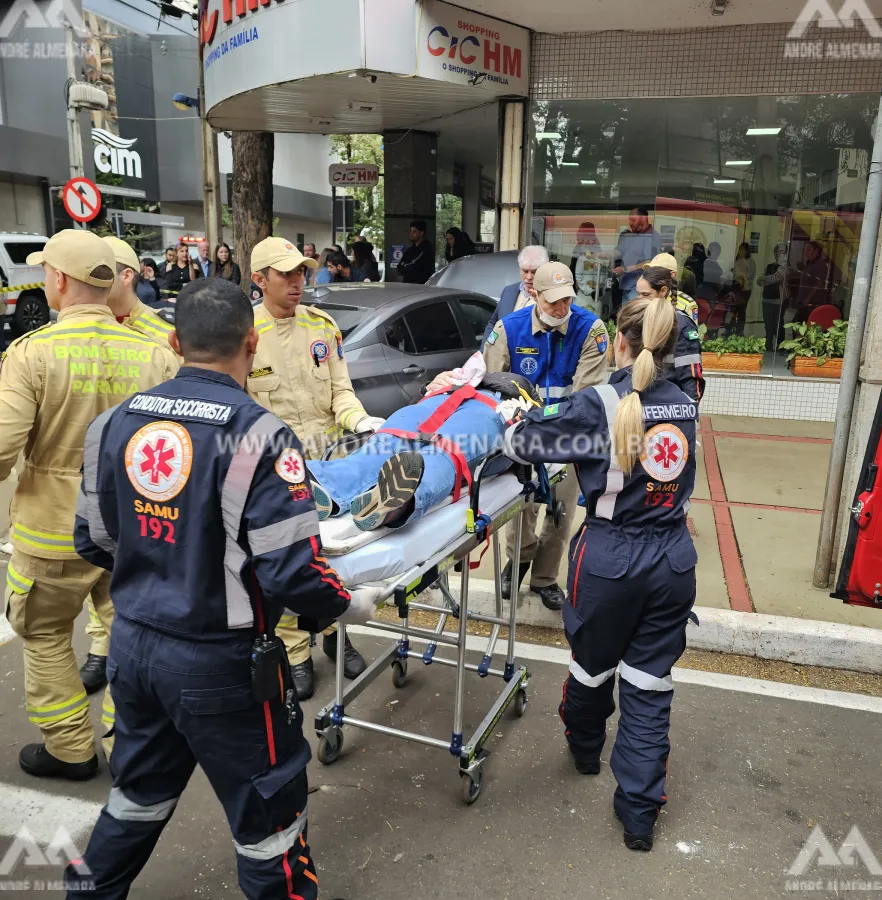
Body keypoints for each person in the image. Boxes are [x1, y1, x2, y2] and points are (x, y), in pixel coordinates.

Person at [63, 278, 378, 900]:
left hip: (134, 647)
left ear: (177, 342)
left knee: (137, 795)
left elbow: (92, 540)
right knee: (269, 821)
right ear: (252, 343)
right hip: (222, 664)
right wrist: (345, 605)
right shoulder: (260, 436)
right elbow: (289, 570)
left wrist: (163, 569)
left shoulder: (113, 425)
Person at [501, 293, 697, 852]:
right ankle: (639, 815)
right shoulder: (685, 403)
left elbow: (527, 443)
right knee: (649, 683)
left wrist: (510, 416)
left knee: (591, 668)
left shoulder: (599, 404)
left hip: (610, 561)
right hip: (673, 558)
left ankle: (586, 751)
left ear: (621, 341)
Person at [0, 229, 178, 781]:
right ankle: (127, 743)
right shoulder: (154, 358)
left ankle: (71, 749)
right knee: (128, 632)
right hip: (132, 530)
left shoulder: (32, 354)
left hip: (52, 531)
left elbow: (3, 446)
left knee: (47, 633)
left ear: (57, 280)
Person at [247, 237, 383, 699]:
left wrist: (360, 418)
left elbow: (339, 392)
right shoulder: (245, 335)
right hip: (275, 474)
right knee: (288, 563)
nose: (296, 281)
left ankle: (335, 636)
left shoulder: (323, 328)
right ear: (259, 279)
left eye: (301, 272)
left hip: (330, 465)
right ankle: (296, 651)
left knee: (332, 557)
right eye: (284, 274)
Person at [74, 238, 181, 697]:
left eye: (104, 269)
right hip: (80, 489)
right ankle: (99, 648)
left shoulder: (158, 336)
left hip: (142, 489)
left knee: (129, 592)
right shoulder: (74, 332)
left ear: (127, 276)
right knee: (97, 582)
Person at [481, 262, 609, 611]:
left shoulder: (591, 331)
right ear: (534, 293)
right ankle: (518, 562)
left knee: (561, 512)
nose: (560, 308)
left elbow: (588, 396)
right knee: (520, 506)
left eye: (566, 299)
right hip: (524, 436)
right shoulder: (509, 330)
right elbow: (492, 387)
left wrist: (555, 428)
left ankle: (544, 579)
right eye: (552, 301)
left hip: (568, 438)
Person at [309, 370, 540, 530]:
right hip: (443, 396)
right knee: (390, 441)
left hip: (494, 409)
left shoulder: (526, 397)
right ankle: (327, 486)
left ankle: (395, 501)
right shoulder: (463, 373)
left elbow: (538, 436)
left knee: (443, 450)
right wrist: (431, 385)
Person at [636, 265, 705, 405]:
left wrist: (690, 413)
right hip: (640, 402)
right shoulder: (637, 319)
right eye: (638, 294)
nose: (640, 300)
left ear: (663, 291)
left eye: (645, 295)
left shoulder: (681, 325)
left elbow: (690, 379)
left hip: (669, 407)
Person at [481, 245, 549, 350]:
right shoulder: (509, 291)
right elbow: (494, 324)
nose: (529, 277)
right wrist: (486, 349)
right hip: (502, 358)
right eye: (525, 271)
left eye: (534, 272)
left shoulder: (552, 297)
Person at [612, 208, 662, 301]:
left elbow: (650, 262)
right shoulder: (633, 236)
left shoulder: (652, 236)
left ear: (643, 219)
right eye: (629, 220)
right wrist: (596, 254)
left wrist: (625, 269)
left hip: (638, 289)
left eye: (633, 220)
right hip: (626, 286)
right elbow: (617, 252)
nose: (630, 223)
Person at [757, 242, 790, 351]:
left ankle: (781, 346)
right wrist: (766, 279)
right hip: (767, 298)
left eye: (781, 251)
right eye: (776, 251)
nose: (778, 254)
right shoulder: (769, 266)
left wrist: (765, 279)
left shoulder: (785, 266)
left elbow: (777, 277)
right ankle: (768, 344)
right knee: (768, 324)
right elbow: (759, 280)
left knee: (778, 324)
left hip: (779, 300)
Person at [794, 241, 829, 320]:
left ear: (816, 250)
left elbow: (819, 283)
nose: (806, 252)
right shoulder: (809, 263)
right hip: (802, 299)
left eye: (809, 250)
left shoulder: (819, 264)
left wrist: (808, 297)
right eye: (806, 249)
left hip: (812, 302)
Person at [396, 220, 435, 284]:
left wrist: (405, 265)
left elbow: (415, 267)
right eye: (411, 231)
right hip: (407, 285)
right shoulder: (410, 250)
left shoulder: (426, 249)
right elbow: (399, 267)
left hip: (420, 286)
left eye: (414, 231)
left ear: (421, 233)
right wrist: (406, 266)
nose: (411, 234)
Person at [731, 242, 756, 336]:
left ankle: (740, 330)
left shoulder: (751, 262)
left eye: (743, 250)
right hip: (736, 287)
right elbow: (733, 272)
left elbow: (752, 275)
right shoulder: (736, 261)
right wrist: (736, 278)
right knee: (733, 308)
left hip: (746, 289)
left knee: (742, 309)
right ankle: (731, 328)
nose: (741, 252)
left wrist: (744, 280)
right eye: (740, 249)